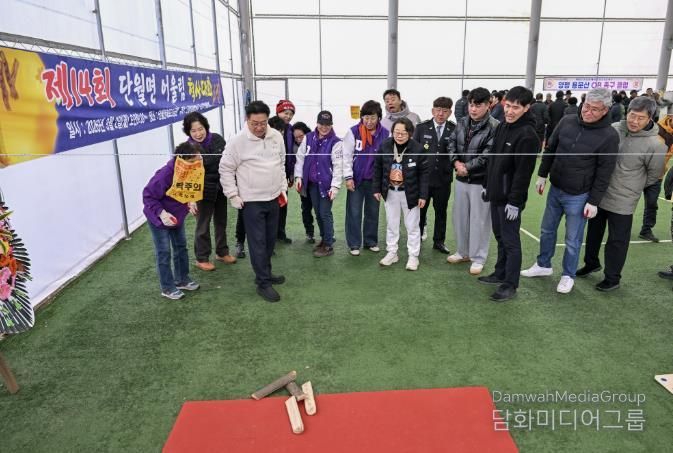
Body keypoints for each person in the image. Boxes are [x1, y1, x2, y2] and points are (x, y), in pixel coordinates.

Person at [521, 88, 619, 294]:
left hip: (580, 195)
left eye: (594, 109)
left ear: (605, 111)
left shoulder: (610, 135)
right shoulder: (567, 121)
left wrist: (594, 201)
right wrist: (542, 175)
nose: (588, 112)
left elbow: (605, 171)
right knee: (546, 230)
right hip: (556, 188)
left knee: (572, 239)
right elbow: (551, 148)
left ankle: (568, 275)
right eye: (586, 106)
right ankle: (543, 265)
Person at [576, 96, 666, 291]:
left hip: (624, 199)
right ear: (627, 112)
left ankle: (612, 278)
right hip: (599, 193)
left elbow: (654, 176)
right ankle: (591, 263)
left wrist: (631, 186)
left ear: (650, 118)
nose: (634, 121)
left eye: (640, 118)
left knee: (617, 240)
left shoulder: (657, 145)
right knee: (593, 233)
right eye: (632, 115)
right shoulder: (614, 128)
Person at [219, 101, 287, 303]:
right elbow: (226, 169)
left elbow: (281, 163)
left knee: (270, 240)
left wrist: (282, 188)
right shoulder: (237, 142)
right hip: (251, 201)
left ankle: (266, 273)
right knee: (257, 242)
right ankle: (263, 283)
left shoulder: (276, 136)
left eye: (263, 123)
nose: (259, 127)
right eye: (254, 123)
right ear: (247, 120)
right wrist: (233, 195)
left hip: (273, 197)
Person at [479, 86, 539, 302]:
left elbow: (523, 174)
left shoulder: (528, 136)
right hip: (496, 193)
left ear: (526, 108)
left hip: (510, 200)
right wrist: (487, 184)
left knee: (511, 241)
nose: (510, 111)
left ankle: (510, 284)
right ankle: (500, 272)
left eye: (516, 108)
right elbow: (493, 158)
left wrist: (514, 202)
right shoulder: (503, 125)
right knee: (499, 236)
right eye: (508, 106)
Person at [448, 87, 499, 275]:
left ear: (488, 105)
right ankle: (463, 252)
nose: (473, 109)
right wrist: (456, 162)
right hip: (461, 179)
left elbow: (488, 154)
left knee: (480, 221)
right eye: (471, 105)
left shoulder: (495, 126)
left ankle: (478, 258)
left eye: (478, 105)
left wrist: (467, 167)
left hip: (480, 181)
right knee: (460, 217)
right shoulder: (461, 122)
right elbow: (451, 144)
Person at [143, 142, 201, 300]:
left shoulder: (192, 169)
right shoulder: (165, 174)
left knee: (181, 247)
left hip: (177, 215)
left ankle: (182, 279)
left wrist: (191, 201)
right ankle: (167, 287)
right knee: (164, 252)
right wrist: (162, 213)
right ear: (182, 160)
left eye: (199, 158)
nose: (197, 163)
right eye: (193, 160)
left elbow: (189, 188)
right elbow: (148, 196)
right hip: (159, 217)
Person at [182, 112, 236, 272]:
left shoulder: (217, 139)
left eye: (200, 129)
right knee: (203, 224)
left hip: (220, 187)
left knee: (221, 221)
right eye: (193, 131)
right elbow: (187, 173)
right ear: (188, 132)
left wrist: (204, 162)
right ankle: (202, 258)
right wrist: (190, 199)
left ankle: (222, 252)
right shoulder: (187, 148)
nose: (198, 133)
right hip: (201, 190)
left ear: (206, 127)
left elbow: (226, 159)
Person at [373, 117, 429, 270]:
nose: (399, 136)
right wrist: (376, 189)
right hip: (390, 192)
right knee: (391, 224)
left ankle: (413, 256)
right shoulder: (385, 145)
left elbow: (424, 175)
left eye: (403, 133)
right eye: (396, 132)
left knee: (412, 226)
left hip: (410, 194)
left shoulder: (418, 149)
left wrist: (423, 195)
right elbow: (377, 168)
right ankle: (392, 252)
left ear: (410, 133)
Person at [294, 111, 343, 258]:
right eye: (322, 124)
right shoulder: (308, 138)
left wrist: (335, 186)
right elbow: (300, 158)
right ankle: (324, 238)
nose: (324, 127)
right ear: (317, 123)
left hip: (326, 185)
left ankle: (328, 244)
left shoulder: (336, 142)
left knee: (325, 213)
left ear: (331, 125)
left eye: (328, 124)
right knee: (318, 213)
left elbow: (338, 166)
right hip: (312, 184)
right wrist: (298, 177)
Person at [343, 100, 388, 255]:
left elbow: (386, 159)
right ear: (361, 117)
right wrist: (348, 177)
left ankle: (370, 242)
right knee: (354, 212)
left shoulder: (385, 134)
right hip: (356, 180)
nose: (369, 121)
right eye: (366, 117)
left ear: (379, 118)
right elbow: (347, 156)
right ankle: (354, 244)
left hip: (375, 181)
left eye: (372, 118)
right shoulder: (353, 132)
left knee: (373, 212)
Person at [413, 96, 455, 254]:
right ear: (432, 111)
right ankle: (416, 240)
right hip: (423, 179)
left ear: (450, 113)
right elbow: (414, 152)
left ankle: (439, 242)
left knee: (441, 211)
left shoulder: (454, 129)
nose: (441, 114)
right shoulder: (421, 128)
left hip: (443, 179)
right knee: (420, 212)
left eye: (445, 111)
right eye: (438, 110)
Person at [271, 99, 297, 244]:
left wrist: (291, 173)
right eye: (285, 113)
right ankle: (271, 235)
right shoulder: (269, 126)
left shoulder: (291, 129)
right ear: (278, 112)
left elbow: (292, 153)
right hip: (270, 174)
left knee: (283, 203)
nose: (288, 116)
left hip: (284, 174)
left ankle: (281, 233)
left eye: (290, 114)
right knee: (272, 206)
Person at [291, 122, 315, 243]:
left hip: (315, 182)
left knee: (321, 210)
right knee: (306, 209)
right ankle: (309, 232)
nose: (299, 139)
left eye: (301, 136)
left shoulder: (313, 142)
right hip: (303, 184)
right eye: (296, 137)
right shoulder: (293, 148)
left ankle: (326, 234)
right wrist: (295, 178)